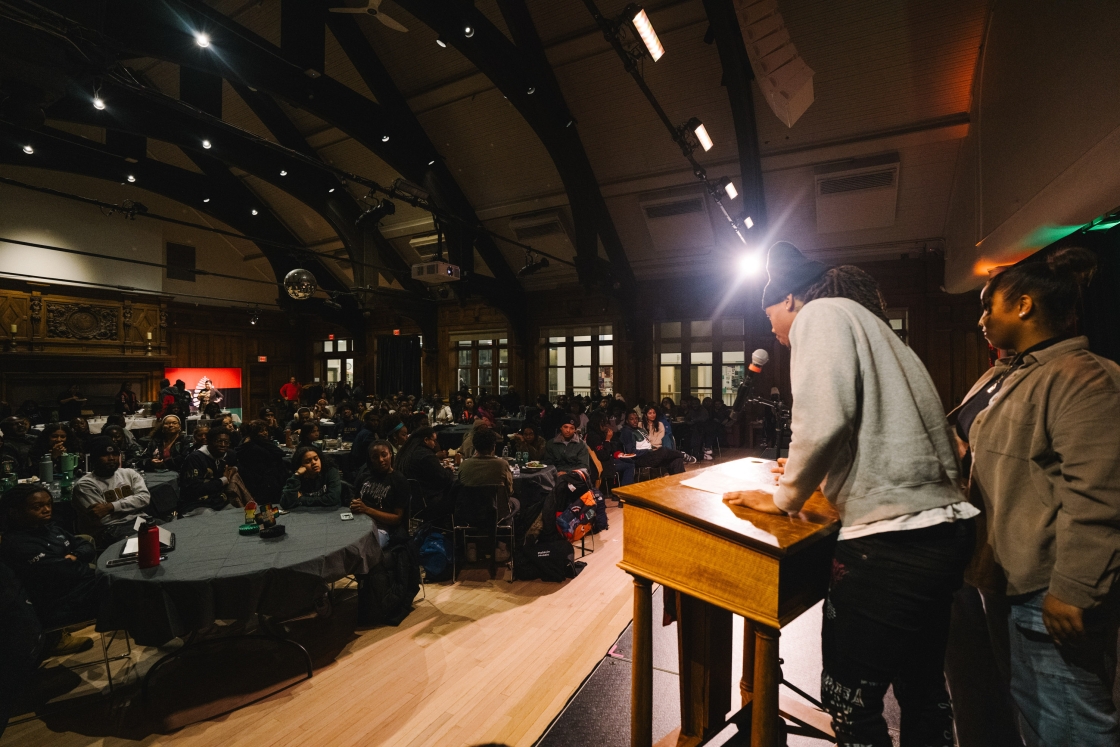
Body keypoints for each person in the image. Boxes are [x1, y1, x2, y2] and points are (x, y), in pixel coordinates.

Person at [723, 242, 975, 747]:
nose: (772, 330)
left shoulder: (820, 315)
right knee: (922, 691)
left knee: (850, 704)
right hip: (941, 532)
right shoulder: (877, 328)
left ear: (791, 298)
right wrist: (812, 473)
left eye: (770, 314)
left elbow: (824, 420)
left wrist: (783, 498)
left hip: (890, 542)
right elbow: (884, 434)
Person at [954, 246, 1120, 746]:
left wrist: (1073, 588)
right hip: (1003, 577)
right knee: (1028, 714)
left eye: (989, 306)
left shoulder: (1084, 378)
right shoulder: (1005, 374)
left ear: (1024, 306)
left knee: (1068, 726)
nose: (982, 318)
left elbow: (1098, 494)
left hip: (1047, 593)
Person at [0, 484, 106, 645]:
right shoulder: (17, 544)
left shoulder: (50, 528)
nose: (46, 509)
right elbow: (66, 571)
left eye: (49, 504)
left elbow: (85, 546)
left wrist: (75, 555)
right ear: (14, 512)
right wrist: (78, 563)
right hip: (57, 605)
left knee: (116, 576)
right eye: (37, 507)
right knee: (123, 587)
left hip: (77, 588)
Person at [72, 436, 157, 545]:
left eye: (115, 454)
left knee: (169, 532)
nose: (111, 458)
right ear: (94, 459)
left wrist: (110, 507)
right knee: (146, 542)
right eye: (105, 455)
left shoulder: (129, 474)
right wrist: (132, 505)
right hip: (109, 529)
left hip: (139, 521)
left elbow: (144, 498)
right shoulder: (85, 485)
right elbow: (103, 518)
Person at [351, 441, 409, 548]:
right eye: (375, 457)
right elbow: (356, 502)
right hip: (358, 524)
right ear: (370, 459)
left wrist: (367, 509)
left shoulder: (398, 480)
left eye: (384, 455)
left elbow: (397, 518)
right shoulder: (364, 477)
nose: (381, 460)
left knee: (360, 549)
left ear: (390, 454)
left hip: (382, 529)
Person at [179, 426, 247, 516]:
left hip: (220, 503)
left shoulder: (228, 454)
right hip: (197, 504)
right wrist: (224, 480)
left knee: (238, 517)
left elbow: (242, 466)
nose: (223, 445)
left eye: (226, 442)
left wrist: (234, 469)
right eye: (219, 441)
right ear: (209, 442)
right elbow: (195, 489)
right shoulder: (195, 458)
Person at [396, 427, 454, 507]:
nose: (435, 444)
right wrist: (449, 469)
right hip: (426, 502)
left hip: (407, 501)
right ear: (426, 440)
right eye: (433, 440)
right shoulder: (426, 455)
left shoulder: (405, 451)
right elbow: (444, 478)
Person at [235, 420, 290, 505]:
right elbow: (279, 454)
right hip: (260, 482)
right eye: (261, 431)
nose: (265, 433)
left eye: (266, 430)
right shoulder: (252, 446)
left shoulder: (254, 442)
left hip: (263, 478)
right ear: (254, 433)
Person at [620, 410, 687, 475]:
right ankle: (683, 455)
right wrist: (648, 451)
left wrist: (653, 449)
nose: (635, 421)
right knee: (663, 450)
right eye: (631, 419)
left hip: (650, 456)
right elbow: (631, 452)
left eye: (636, 418)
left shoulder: (639, 430)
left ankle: (679, 484)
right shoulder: (627, 432)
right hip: (640, 459)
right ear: (627, 421)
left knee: (677, 460)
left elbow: (647, 443)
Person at [457, 427, 513, 494]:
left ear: (475, 446)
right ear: (493, 447)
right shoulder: (502, 465)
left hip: (470, 504)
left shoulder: (464, 465)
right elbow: (510, 491)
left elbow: (460, 489)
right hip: (497, 504)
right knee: (516, 501)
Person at [585, 411, 633, 487]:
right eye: (605, 423)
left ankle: (621, 487)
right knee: (629, 466)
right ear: (599, 423)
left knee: (630, 461)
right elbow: (603, 455)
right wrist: (607, 440)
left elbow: (612, 448)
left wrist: (610, 438)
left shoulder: (599, 433)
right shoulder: (593, 436)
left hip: (608, 460)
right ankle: (624, 490)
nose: (606, 425)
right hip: (602, 465)